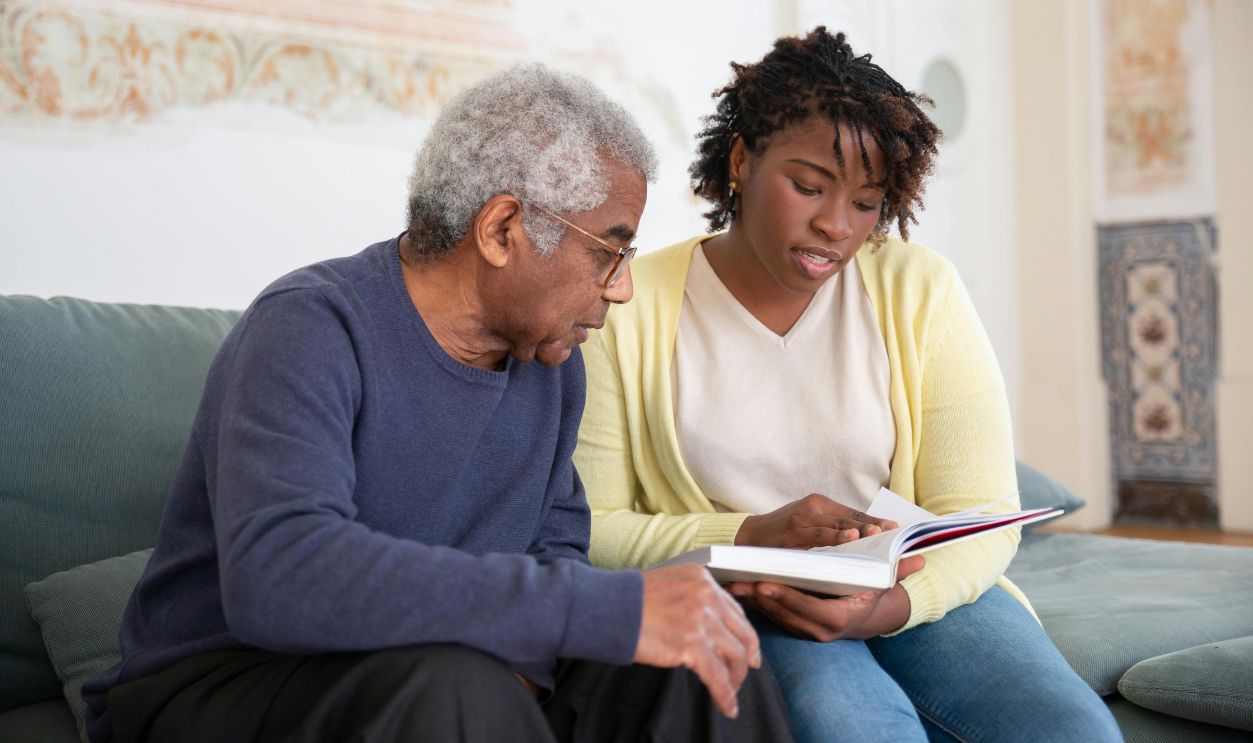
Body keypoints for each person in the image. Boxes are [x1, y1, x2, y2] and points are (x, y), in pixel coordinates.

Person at [81, 64, 795, 743]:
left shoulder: (550, 366)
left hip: (443, 679)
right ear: (502, 229)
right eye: (608, 252)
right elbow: (279, 574)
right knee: (459, 687)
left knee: (702, 662)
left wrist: (532, 664)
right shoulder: (309, 325)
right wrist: (591, 610)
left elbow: (554, 551)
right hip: (224, 682)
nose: (622, 288)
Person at [575, 28, 1122, 742]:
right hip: (755, 600)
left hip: (911, 588)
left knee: (1074, 731)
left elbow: (983, 510)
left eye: (866, 202)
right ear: (740, 160)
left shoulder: (918, 289)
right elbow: (593, 527)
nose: (835, 225)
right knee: (856, 728)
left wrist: (892, 606)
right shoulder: (628, 304)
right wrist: (750, 534)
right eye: (807, 187)